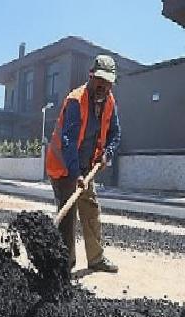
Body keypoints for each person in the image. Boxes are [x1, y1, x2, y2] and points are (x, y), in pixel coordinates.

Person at [45, 55, 121, 273]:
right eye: (99, 80)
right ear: (91, 76)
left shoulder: (110, 102)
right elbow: (68, 142)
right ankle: (65, 266)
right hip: (63, 167)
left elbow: (116, 133)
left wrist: (108, 153)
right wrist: (75, 173)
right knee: (67, 217)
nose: (103, 86)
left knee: (91, 210)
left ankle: (96, 259)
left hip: (86, 169)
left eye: (107, 82)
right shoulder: (76, 101)